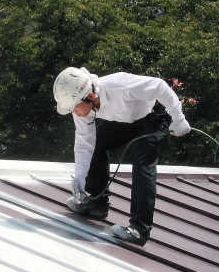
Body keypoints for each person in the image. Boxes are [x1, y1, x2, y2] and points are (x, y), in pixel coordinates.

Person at [53, 67, 190, 246]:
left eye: (74, 107)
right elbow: (84, 143)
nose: (74, 112)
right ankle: (97, 203)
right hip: (128, 119)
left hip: (155, 116)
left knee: (143, 163)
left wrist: (178, 118)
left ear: (91, 97)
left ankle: (139, 230)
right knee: (97, 144)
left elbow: (160, 86)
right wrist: (79, 179)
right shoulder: (82, 106)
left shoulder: (120, 86)